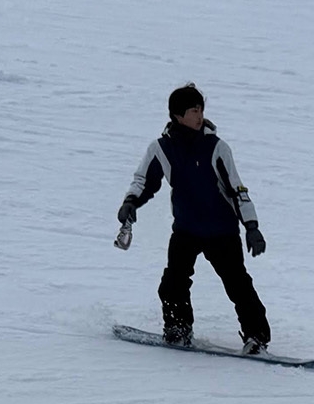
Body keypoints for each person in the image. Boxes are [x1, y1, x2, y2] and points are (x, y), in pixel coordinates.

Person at [116, 84, 271, 353]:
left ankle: (256, 338)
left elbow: (237, 190)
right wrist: (131, 202)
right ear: (178, 115)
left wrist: (252, 226)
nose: (199, 115)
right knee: (173, 283)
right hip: (186, 230)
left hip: (221, 231)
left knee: (238, 285)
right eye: (193, 110)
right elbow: (144, 180)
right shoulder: (162, 148)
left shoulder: (217, 147)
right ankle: (178, 330)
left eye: (201, 109)